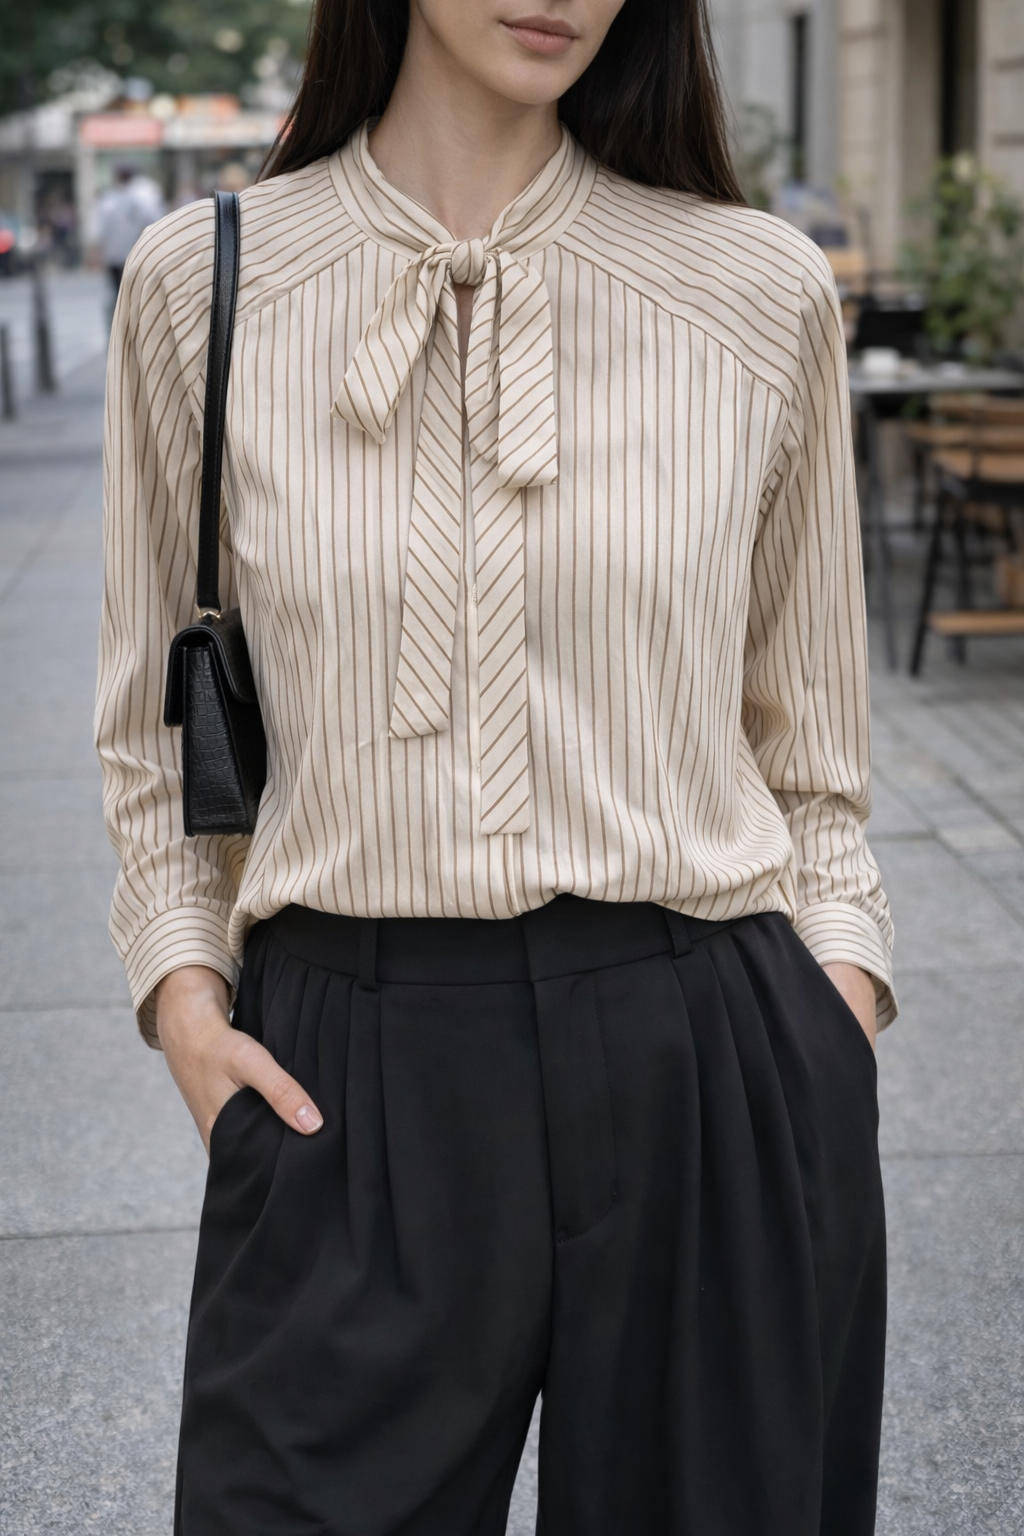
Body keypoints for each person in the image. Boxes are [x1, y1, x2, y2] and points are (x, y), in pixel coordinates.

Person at [95, 0, 896, 1530]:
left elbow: (813, 752)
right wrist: (189, 1005)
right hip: (352, 1060)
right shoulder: (205, 286)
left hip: (709, 1042)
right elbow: (155, 730)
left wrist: (830, 1025)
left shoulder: (755, 288)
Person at [93, 164, 165, 297]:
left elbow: (102, 229)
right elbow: (154, 219)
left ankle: (119, 316)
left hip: (114, 254)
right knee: (134, 291)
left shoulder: (108, 201)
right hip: (136, 252)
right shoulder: (142, 199)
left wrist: (98, 249)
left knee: (117, 291)